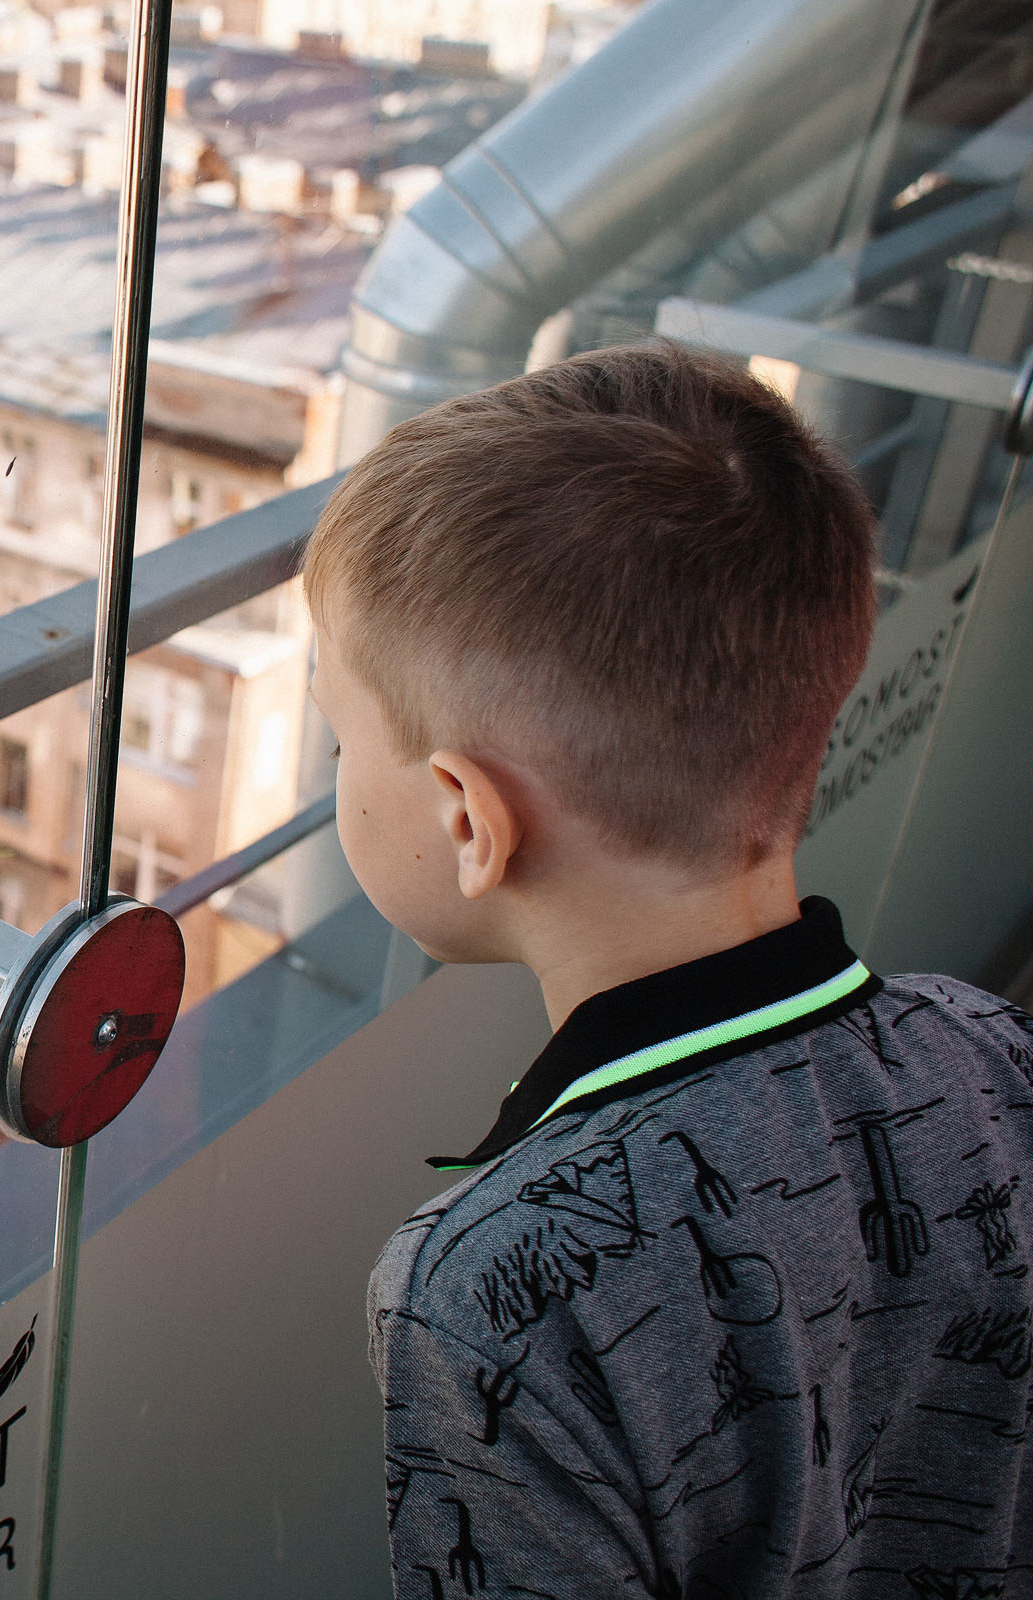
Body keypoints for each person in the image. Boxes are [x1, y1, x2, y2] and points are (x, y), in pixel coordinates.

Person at [303, 341, 1033, 1597]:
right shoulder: (991, 1045)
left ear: (469, 821)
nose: (331, 777)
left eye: (337, 736)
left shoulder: (487, 1288)